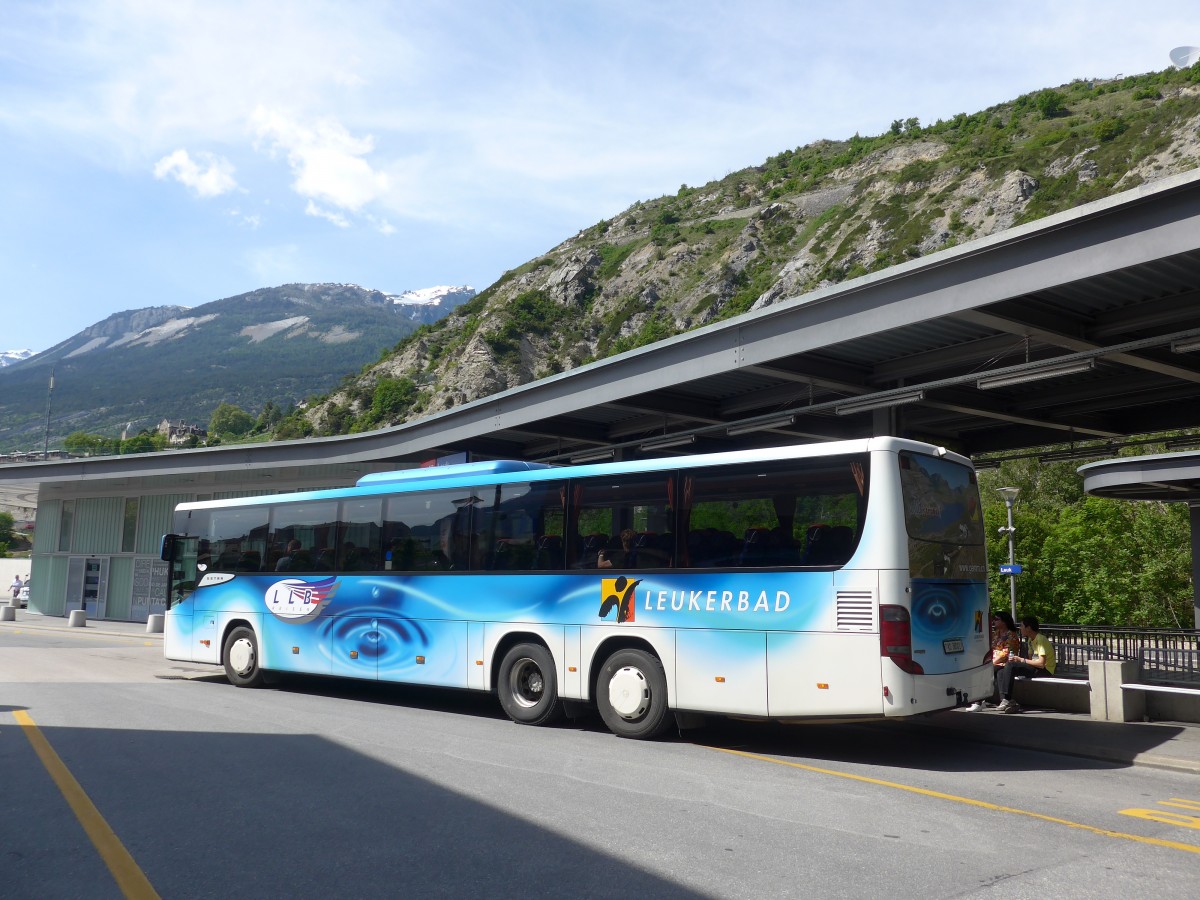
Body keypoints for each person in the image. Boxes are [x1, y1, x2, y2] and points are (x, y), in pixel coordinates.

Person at [996, 615, 1057, 714]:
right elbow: (1030, 660)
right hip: (1035, 668)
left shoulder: (1040, 639)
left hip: (1045, 670)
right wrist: (1020, 662)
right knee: (1001, 671)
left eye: (1022, 626)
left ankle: (1007, 699)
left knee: (1010, 665)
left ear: (1028, 628)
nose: (1020, 628)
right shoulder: (1030, 640)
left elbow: (1041, 664)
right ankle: (1005, 700)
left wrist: (1020, 660)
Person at [966, 611, 1020, 711]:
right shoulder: (996, 634)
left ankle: (978, 702)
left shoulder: (1011, 635)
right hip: (996, 663)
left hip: (1004, 662)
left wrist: (991, 663)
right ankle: (1003, 700)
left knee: (986, 672)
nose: (993, 621)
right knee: (999, 673)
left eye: (996, 619)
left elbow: (1006, 654)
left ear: (1004, 621)